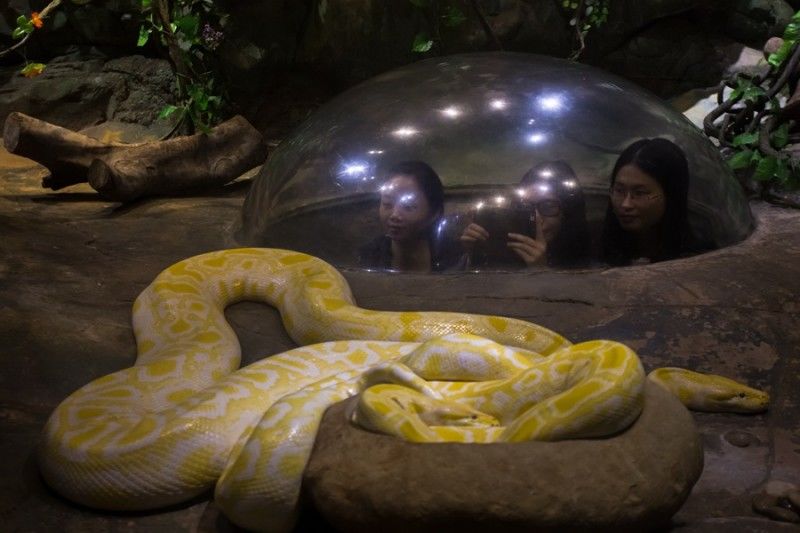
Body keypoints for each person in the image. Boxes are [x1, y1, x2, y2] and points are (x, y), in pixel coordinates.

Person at [460, 160, 592, 269]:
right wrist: (473, 254)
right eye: (526, 207)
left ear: (568, 213)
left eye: (548, 207)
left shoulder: (592, 268)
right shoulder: (504, 245)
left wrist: (541, 272)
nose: (536, 218)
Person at [601, 138, 690, 266]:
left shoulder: (698, 257)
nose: (625, 204)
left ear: (670, 195)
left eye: (639, 193)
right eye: (619, 190)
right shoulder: (594, 251)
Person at [358, 160, 447, 272]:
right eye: (387, 204)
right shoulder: (370, 255)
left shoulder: (452, 255)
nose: (394, 215)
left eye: (408, 206)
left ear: (434, 213)